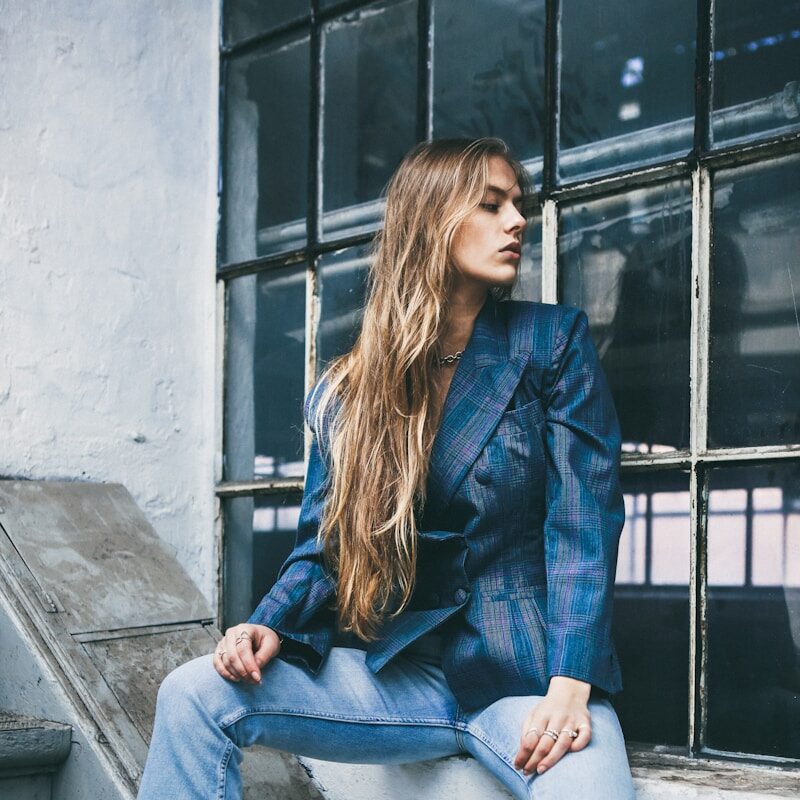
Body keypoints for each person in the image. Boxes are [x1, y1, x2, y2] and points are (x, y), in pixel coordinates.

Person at [138, 137, 636, 799]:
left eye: (518, 205)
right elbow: (324, 547)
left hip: (532, 682)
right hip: (406, 680)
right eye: (492, 205)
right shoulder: (351, 388)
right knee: (195, 694)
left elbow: (582, 523)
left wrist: (571, 687)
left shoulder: (552, 343)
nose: (518, 220)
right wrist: (269, 624)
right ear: (430, 220)